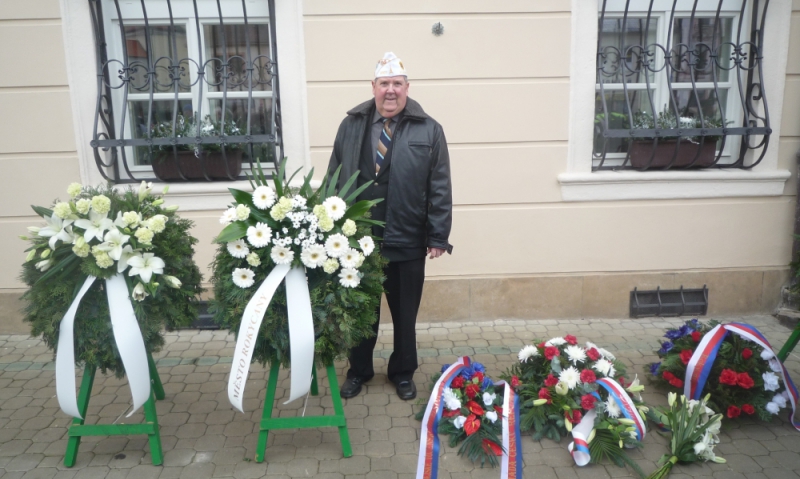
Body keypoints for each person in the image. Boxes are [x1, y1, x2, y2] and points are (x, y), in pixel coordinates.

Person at [327, 52, 453, 400]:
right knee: (361, 312)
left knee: (404, 314)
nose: (391, 91)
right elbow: (333, 178)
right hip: (358, 240)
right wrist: (329, 228)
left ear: (407, 88)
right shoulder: (350, 125)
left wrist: (438, 235)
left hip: (408, 238)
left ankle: (402, 372)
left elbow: (439, 186)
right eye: (385, 84)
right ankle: (359, 371)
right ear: (374, 87)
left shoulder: (430, 129)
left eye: (397, 84)